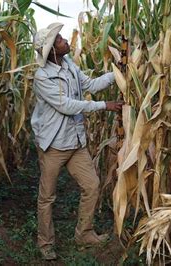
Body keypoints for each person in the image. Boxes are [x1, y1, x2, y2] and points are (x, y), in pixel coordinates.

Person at [31, 22, 123, 260]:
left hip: (75, 141)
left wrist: (119, 73)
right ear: (51, 50)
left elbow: (91, 85)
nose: (65, 40)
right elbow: (65, 106)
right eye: (60, 39)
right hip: (53, 144)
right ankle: (45, 243)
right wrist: (104, 106)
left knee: (92, 186)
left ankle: (84, 234)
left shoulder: (70, 65)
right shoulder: (42, 77)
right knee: (47, 196)